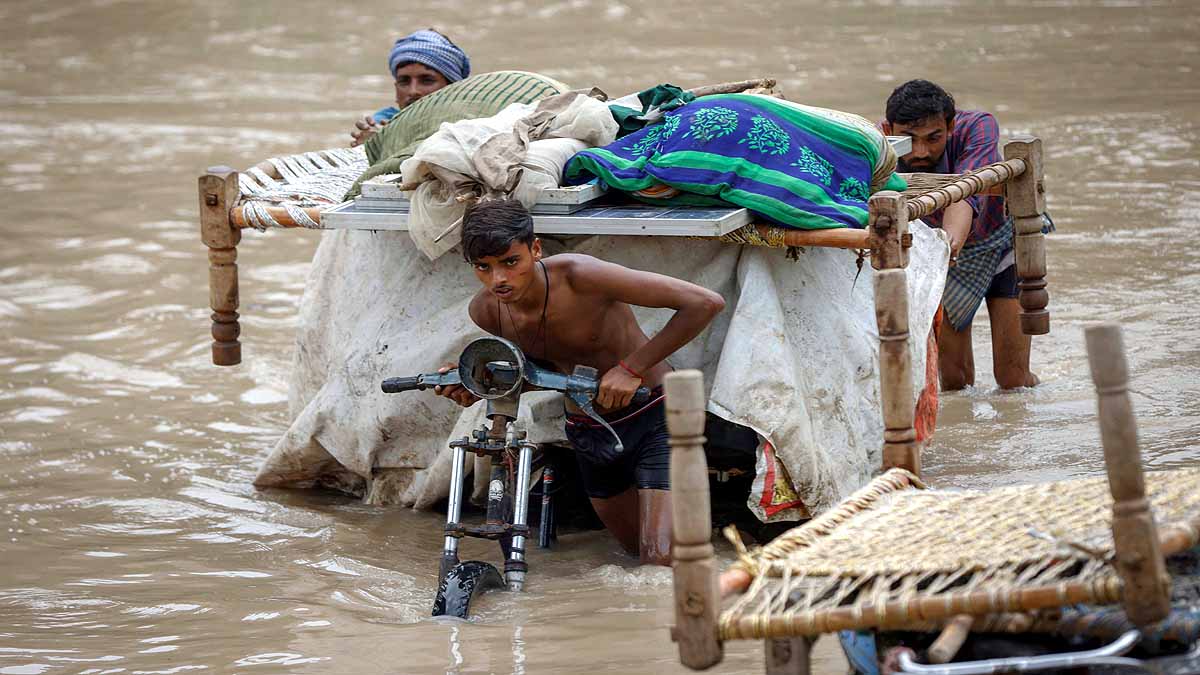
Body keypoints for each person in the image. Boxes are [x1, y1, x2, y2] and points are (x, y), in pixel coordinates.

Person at [434, 200, 725, 566]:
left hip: (655, 416)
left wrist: (632, 367)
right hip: (589, 432)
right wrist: (476, 384)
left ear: (535, 249)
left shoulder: (580, 275)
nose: (499, 280)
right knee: (632, 556)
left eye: (511, 262)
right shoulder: (486, 311)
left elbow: (704, 303)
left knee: (661, 563)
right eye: (483, 267)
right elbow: (536, 376)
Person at [881, 79, 1039, 391]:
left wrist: (948, 247)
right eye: (908, 139)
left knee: (1013, 379)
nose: (921, 151)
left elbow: (966, 191)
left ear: (951, 126)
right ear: (888, 130)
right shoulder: (876, 145)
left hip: (996, 246)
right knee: (954, 381)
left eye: (933, 138)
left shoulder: (977, 127)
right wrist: (944, 254)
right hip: (943, 254)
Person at [349, 29, 471, 147]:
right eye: (404, 81)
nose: (413, 91)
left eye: (427, 80)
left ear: (453, 88)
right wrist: (371, 150)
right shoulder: (381, 127)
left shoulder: (471, 129)